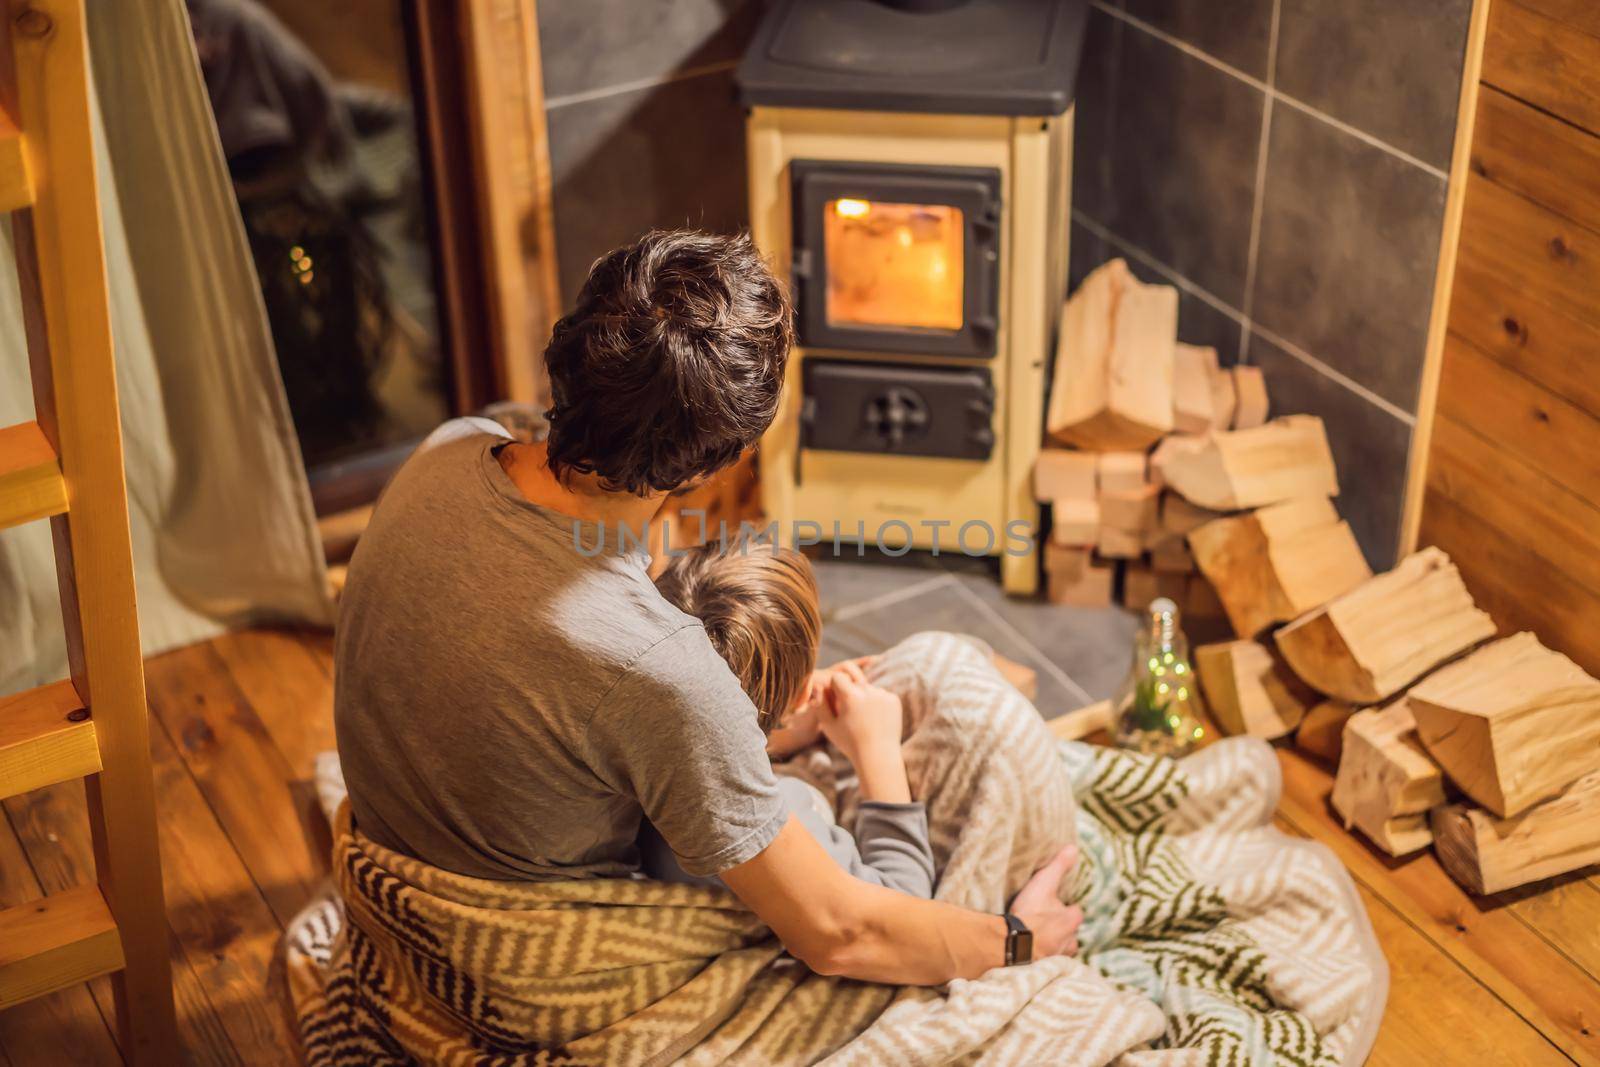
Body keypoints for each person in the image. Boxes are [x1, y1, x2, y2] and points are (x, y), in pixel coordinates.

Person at [334, 229, 1082, 987]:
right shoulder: (658, 667)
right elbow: (842, 932)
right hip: (510, 968)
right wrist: (1019, 939)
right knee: (947, 668)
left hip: (401, 850)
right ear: (720, 461)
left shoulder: (451, 446)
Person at [643, 538, 935, 897]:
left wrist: (783, 706)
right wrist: (878, 752)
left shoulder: (639, 762)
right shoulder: (774, 820)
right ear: (802, 695)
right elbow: (904, 903)